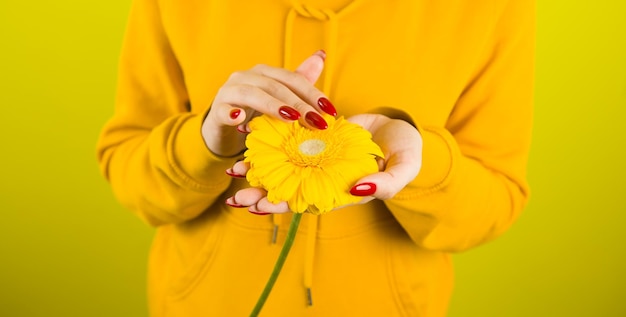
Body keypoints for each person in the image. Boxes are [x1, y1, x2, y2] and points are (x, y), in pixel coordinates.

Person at [96, 0, 534, 316]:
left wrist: (420, 162)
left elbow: (495, 205)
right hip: (204, 304)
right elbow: (130, 176)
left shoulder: (490, 7)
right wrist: (208, 140)